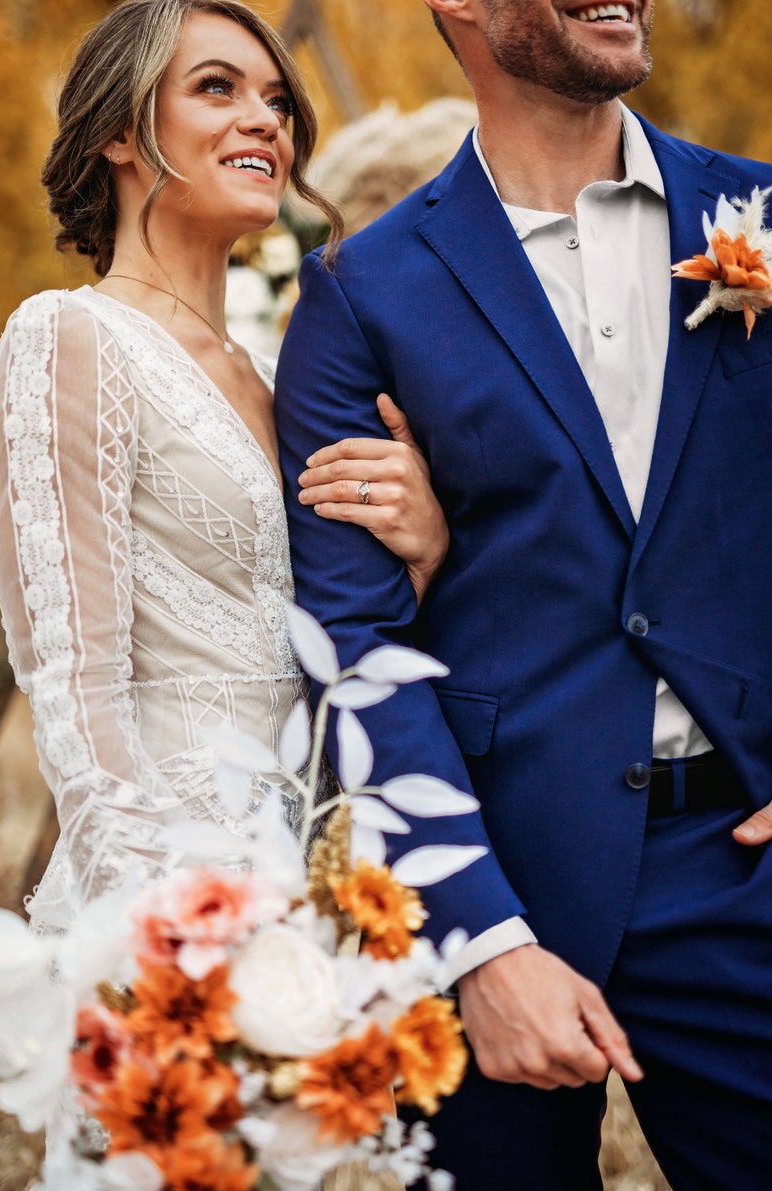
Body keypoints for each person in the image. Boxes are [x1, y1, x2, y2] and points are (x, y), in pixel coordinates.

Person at [275, 2, 772, 1188]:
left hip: (741, 860)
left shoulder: (757, 213)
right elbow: (351, 643)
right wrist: (478, 942)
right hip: (499, 872)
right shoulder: (361, 291)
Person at [0, 0, 448, 936]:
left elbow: (341, 646)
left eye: (276, 100)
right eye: (216, 88)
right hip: (174, 903)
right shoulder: (70, 336)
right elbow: (78, 688)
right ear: (119, 131)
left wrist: (428, 549)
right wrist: (169, 943)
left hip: (322, 899)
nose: (264, 120)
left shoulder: (284, 378)